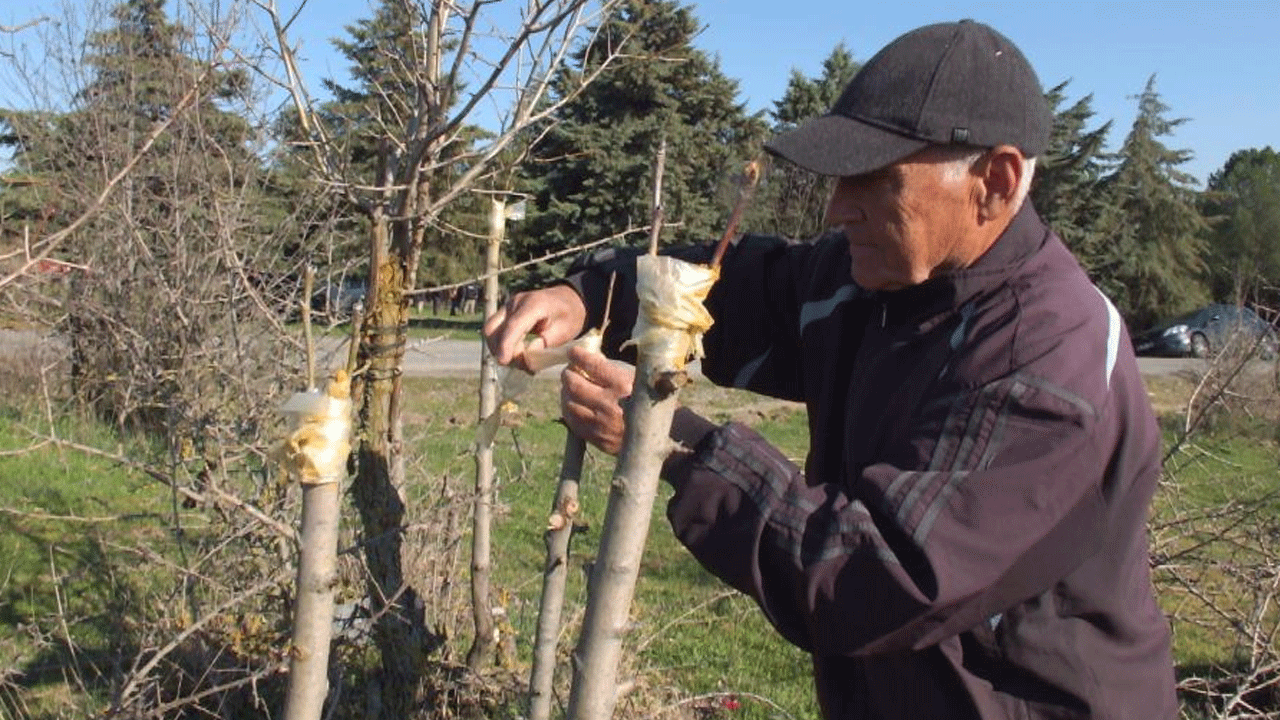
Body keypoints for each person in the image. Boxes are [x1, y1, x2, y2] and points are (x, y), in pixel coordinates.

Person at [484, 20, 1177, 720]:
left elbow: (879, 578)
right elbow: (733, 288)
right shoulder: (876, 283)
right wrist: (586, 294)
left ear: (993, 183)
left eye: (875, 179)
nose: (838, 208)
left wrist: (673, 439)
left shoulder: (1053, 360)